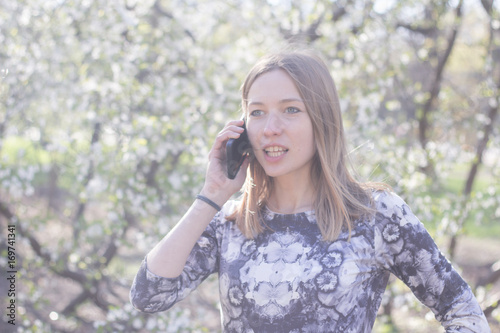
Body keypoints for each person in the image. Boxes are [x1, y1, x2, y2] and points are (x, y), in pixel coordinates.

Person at [130, 50, 490, 332]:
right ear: (242, 128)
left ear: (322, 119)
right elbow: (149, 295)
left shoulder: (375, 215)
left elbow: (461, 312)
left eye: (290, 110)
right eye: (257, 113)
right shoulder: (230, 221)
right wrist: (211, 194)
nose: (271, 128)